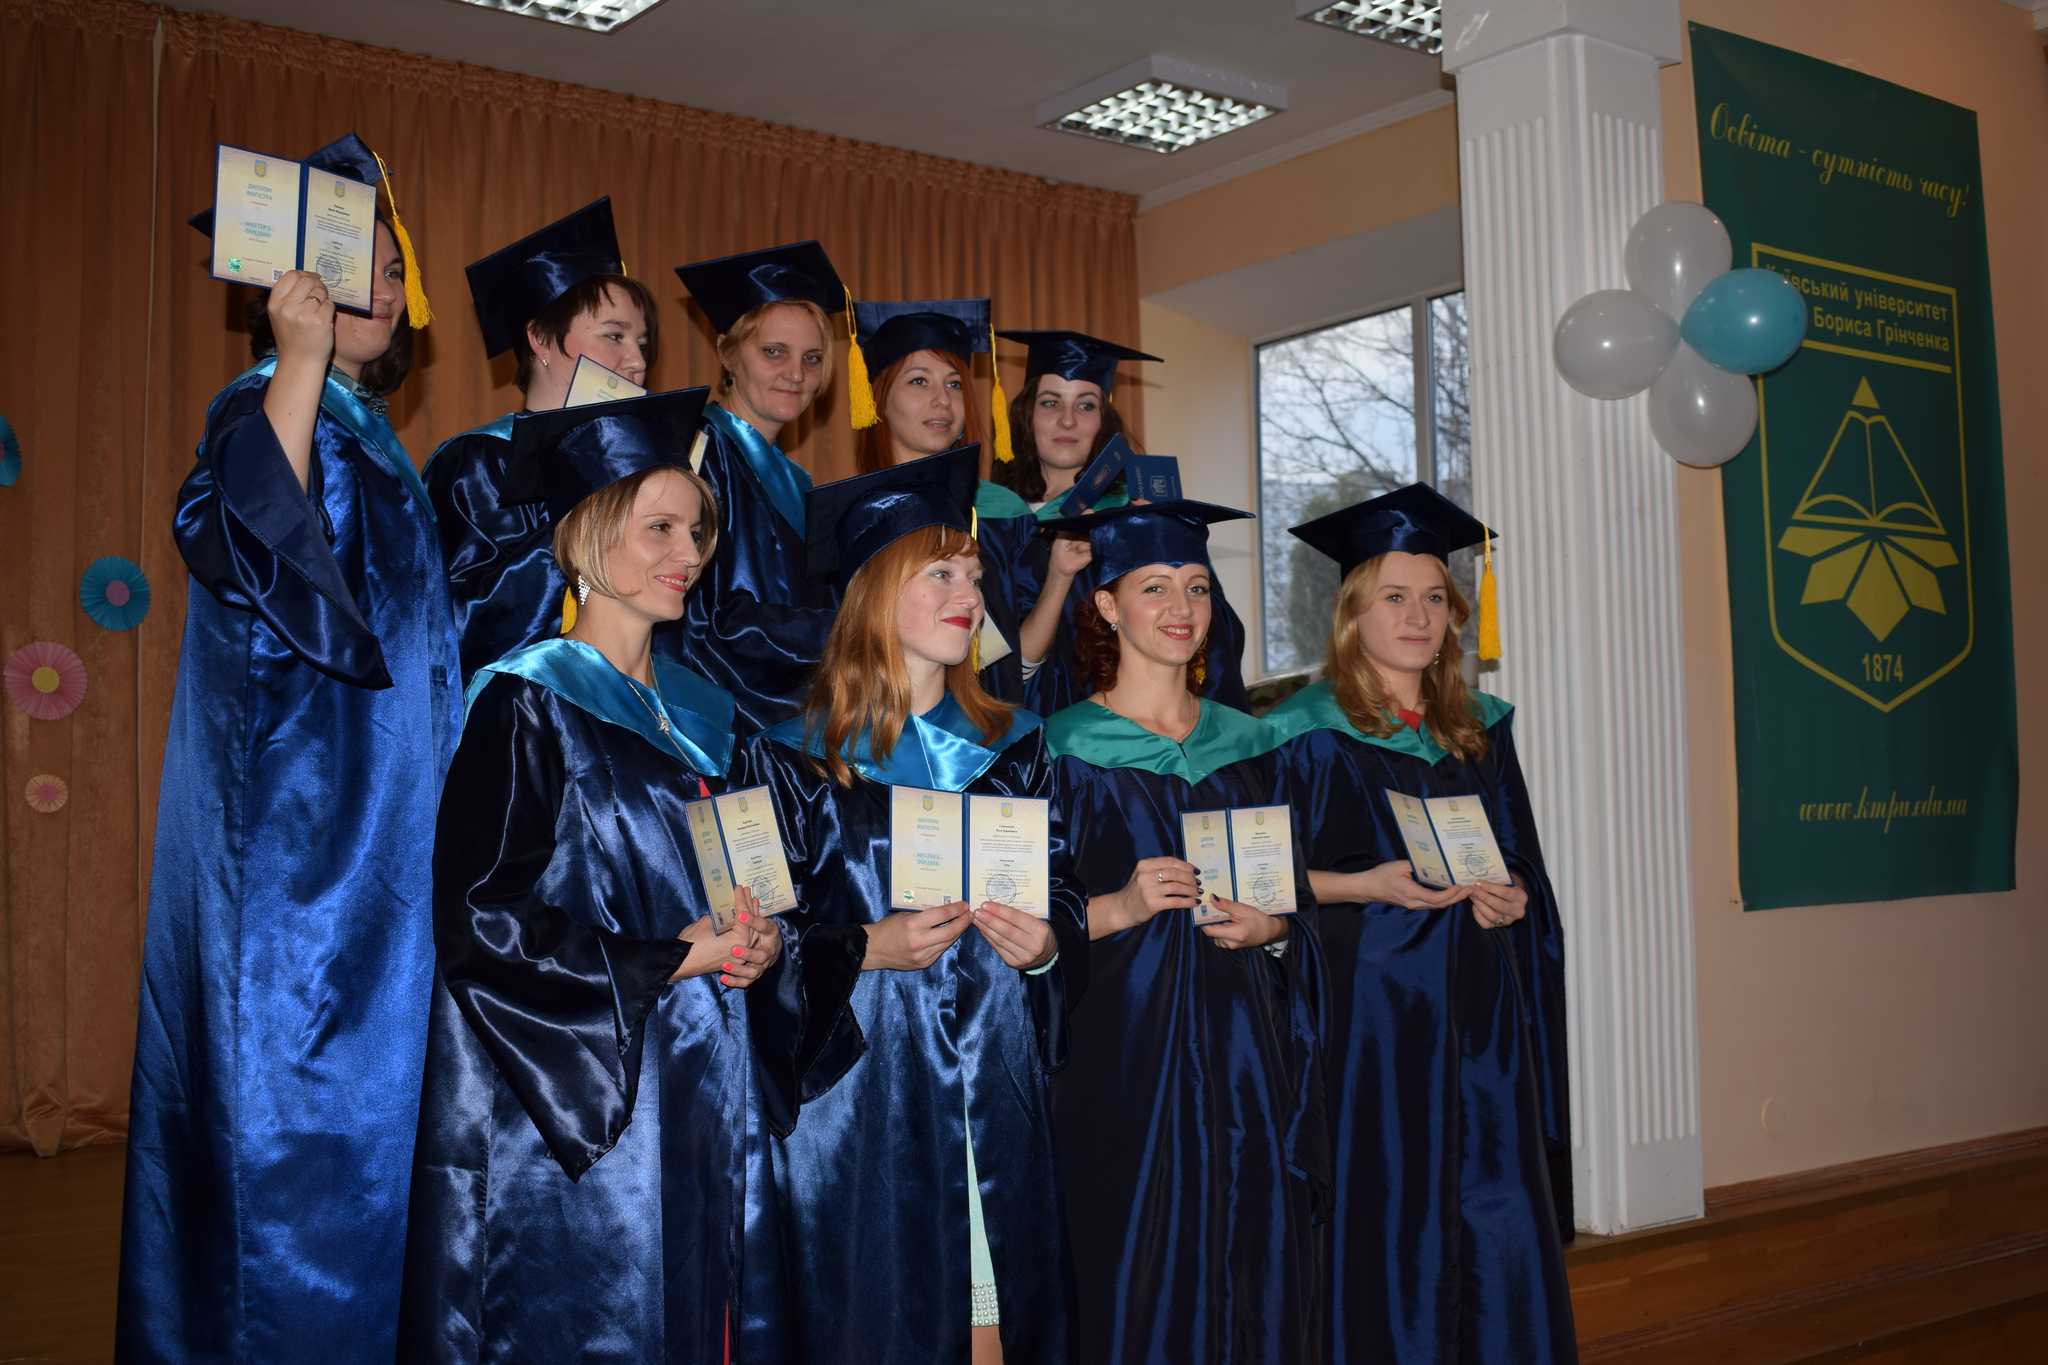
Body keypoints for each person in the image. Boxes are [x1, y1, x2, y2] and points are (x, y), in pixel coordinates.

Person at [119, 133, 457, 1363]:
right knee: (296, 1117)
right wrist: (300, 358)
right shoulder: (260, 405)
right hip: (302, 841)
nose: (379, 287)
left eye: (389, 265)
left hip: (384, 832)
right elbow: (249, 540)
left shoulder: (377, 437)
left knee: (381, 1116)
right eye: (351, 266)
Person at [399, 387, 805, 1363]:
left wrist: (765, 939)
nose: (687, 552)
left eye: (697, 530)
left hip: (712, 1075)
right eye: (658, 527)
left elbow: (755, 874)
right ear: (587, 538)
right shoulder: (528, 701)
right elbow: (480, 919)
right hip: (588, 1089)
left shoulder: (709, 713)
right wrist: (666, 959)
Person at [739, 446, 1086, 1363]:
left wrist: (1047, 945)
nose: (969, 593)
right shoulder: (789, 757)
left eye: (973, 574)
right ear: (873, 590)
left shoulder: (1015, 746)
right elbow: (756, 943)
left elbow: (1065, 892)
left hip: (995, 1087)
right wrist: (864, 945)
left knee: (999, 1326)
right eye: (940, 573)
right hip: (862, 1102)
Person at [1267, 485, 1576, 1364]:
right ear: (1352, 612)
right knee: (1392, 1211)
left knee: (1493, 1203)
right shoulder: (1301, 732)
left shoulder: (1479, 730)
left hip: (1480, 1017)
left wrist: (1515, 894)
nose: (1417, 616)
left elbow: (1521, 860)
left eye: (1435, 598)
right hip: (1371, 1024)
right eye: (1394, 597)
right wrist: (1362, 884)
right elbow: (1263, 884)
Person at [1038, 498, 1328, 1365]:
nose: (1181, 607)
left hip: (1249, 1052)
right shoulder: (1058, 750)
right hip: (1121, 1057)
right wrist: (1121, 906)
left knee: (1255, 1247)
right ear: (1106, 605)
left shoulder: (1256, 744)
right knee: (1137, 1262)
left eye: (1198, 587)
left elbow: (1299, 905)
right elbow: (1022, 925)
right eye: (1155, 587)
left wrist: (1274, 928)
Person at [425, 197, 660, 682]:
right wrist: (585, 523)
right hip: (516, 711)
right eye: (614, 336)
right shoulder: (477, 463)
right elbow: (458, 628)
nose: (638, 361)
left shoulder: (648, 467)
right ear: (540, 339)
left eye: (642, 342)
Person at [990, 330, 1251, 713]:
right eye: (1050, 403)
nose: (1067, 420)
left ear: (1104, 419)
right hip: (1028, 721)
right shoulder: (992, 520)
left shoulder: (1137, 513)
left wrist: (1155, 539)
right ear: (1026, 415)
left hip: (1130, 724)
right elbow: (991, 663)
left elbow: (1213, 633)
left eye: (1085, 405)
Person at [671, 240, 847, 732]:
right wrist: (848, 628)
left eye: (812, 358)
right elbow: (700, 619)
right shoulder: (697, 454)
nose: (796, 374)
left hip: (792, 717)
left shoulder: (799, 482)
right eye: (774, 352)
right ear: (727, 353)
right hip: (720, 717)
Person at [848, 295, 1033, 700]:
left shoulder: (1003, 513)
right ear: (878, 397)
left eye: (954, 384)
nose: (942, 401)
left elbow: (1024, 655)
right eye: (919, 381)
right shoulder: (852, 517)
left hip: (990, 718)